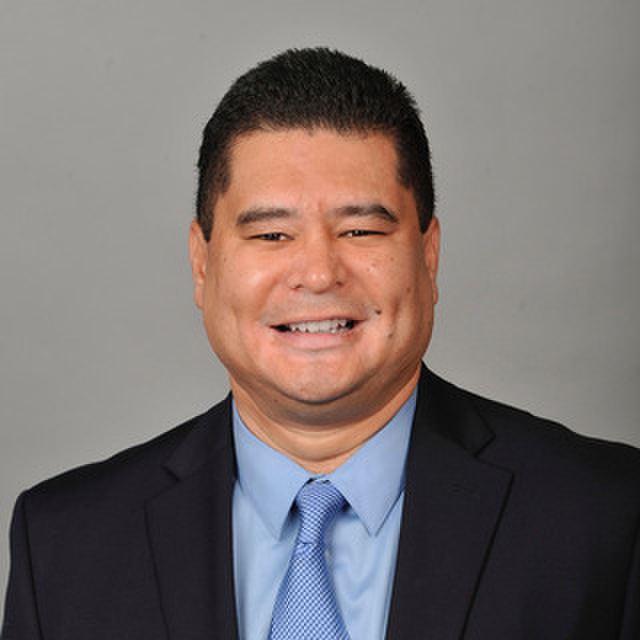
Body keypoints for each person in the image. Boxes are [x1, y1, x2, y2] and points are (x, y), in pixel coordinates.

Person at [2, 48, 639, 640]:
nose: (317, 274)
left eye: (360, 230)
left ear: (428, 256)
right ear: (201, 263)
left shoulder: (607, 518)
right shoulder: (63, 543)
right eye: (271, 235)